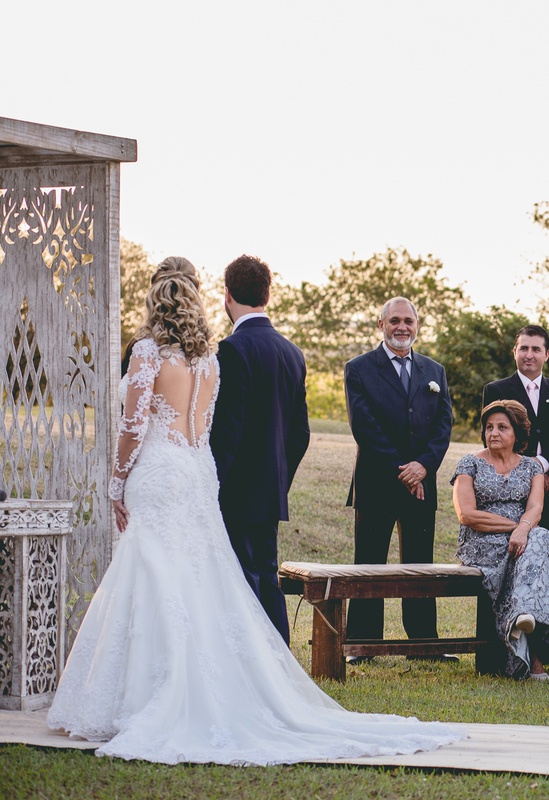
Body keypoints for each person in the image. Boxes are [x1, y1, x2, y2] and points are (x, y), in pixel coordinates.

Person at [47, 258, 463, 764]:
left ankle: (149, 692)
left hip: (163, 473)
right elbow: (250, 431)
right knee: (207, 583)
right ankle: (228, 679)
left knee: (157, 577)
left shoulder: (153, 353)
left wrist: (116, 482)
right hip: (199, 473)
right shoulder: (211, 359)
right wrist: (271, 483)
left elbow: (135, 423)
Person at [343, 297, 453, 663]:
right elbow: (364, 426)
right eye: (394, 320)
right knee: (369, 561)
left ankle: (424, 645)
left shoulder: (434, 370)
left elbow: (443, 425)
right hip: (377, 481)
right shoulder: (358, 368)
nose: (402, 326)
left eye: (408, 320)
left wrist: (423, 466)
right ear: (381, 325)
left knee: (420, 563)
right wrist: (402, 469)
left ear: (417, 325)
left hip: (422, 483)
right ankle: (362, 643)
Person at [209, 254, 310, 644]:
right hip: (270, 492)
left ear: (227, 295)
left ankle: (255, 668)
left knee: (241, 579)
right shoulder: (292, 352)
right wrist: (278, 479)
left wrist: (213, 485)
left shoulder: (231, 350)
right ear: (268, 295)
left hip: (235, 491)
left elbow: (227, 433)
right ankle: (279, 663)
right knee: (267, 577)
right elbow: (300, 434)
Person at [451, 400, 549, 680]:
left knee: (538, 538)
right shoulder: (469, 464)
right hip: (482, 542)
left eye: (502, 427)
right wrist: (518, 527)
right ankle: (534, 658)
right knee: (537, 543)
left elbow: (536, 508)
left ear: (518, 433)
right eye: (489, 427)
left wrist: (524, 529)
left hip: (522, 540)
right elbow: (467, 515)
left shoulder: (531, 467)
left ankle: (523, 626)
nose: (493, 433)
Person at [482, 324, 549, 546]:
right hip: (506, 489)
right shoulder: (495, 391)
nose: (529, 355)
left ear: (546, 355)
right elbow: (491, 438)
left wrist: (541, 465)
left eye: (536, 349)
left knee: (545, 554)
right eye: (524, 348)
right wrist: (525, 468)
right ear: (514, 352)